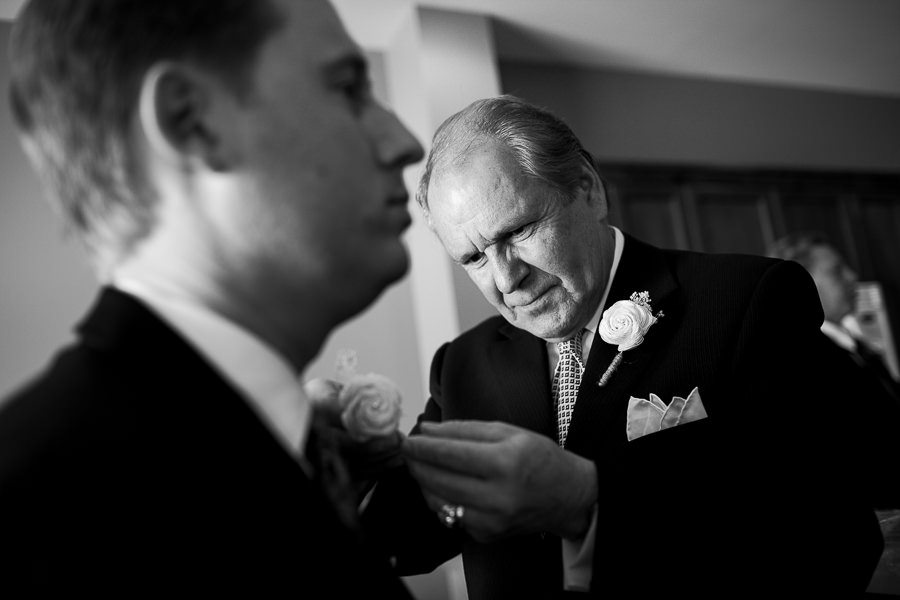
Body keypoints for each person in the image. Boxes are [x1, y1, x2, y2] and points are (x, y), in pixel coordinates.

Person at [362, 95, 884, 598]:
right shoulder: (462, 367)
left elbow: (833, 538)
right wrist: (338, 459)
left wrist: (587, 501)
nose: (506, 279)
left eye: (519, 231)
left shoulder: (748, 302)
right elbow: (399, 542)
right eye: (473, 258)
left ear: (587, 188)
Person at [0, 0, 423, 595]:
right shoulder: (40, 510)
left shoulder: (292, 456)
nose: (406, 142)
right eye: (349, 87)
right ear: (191, 121)